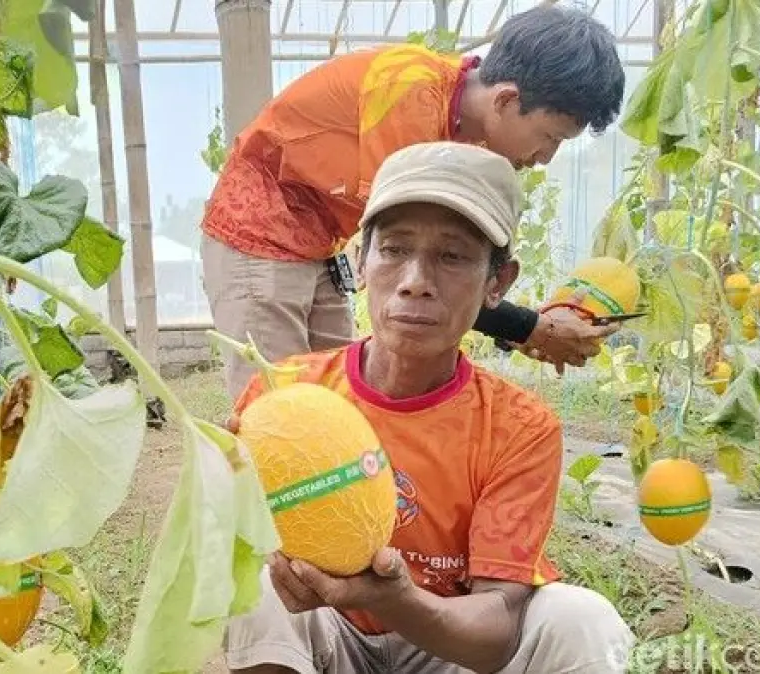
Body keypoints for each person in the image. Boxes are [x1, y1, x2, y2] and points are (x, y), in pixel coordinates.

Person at [223, 141, 634, 674]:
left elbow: (496, 628)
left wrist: (394, 599)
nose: (416, 282)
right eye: (394, 249)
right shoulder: (283, 395)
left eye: (452, 256)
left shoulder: (519, 426)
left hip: (450, 643)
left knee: (581, 621)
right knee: (256, 585)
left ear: (498, 283)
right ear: (361, 263)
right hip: (329, 632)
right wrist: (222, 486)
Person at [201, 4, 628, 400]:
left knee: (340, 402)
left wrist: (530, 328)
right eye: (550, 137)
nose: (544, 158)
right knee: (279, 410)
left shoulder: (457, 120)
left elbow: (442, 275)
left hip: (318, 244)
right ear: (505, 100)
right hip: (261, 235)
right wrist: (532, 328)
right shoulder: (411, 104)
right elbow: (425, 279)